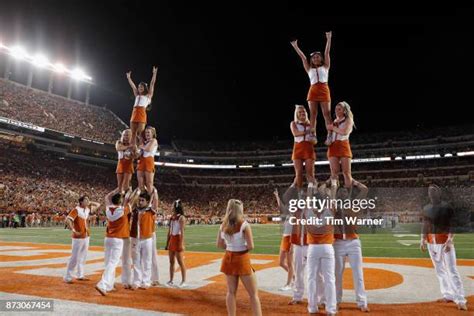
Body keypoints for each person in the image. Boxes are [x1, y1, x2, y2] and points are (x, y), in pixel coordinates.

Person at [420, 184, 467, 311]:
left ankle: (460, 299)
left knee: (452, 270)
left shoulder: (447, 207)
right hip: (431, 241)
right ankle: (447, 294)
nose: (431, 193)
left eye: (434, 191)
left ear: (439, 193)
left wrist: (450, 240)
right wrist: (422, 239)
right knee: (439, 270)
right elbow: (425, 224)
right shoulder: (426, 208)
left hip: (444, 241)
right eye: (429, 191)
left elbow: (453, 225)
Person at [217, 199, 262, 316]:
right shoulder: (244, 225)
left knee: (231, 292)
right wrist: (239, 247)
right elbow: (251, 246)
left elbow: (219, 244)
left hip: (228, 258)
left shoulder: (223, 225)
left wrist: (231, 246)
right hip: (242, 259)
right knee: (253, 294)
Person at [290, 32, 332, 144]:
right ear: (311, 60)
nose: (315, 58)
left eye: (318, 56)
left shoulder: (326, 66)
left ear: (321, 58)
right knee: (313, 114)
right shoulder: (309, 69)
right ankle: (313, 135)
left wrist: (328, 38)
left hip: (324, 89)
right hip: (313, 90)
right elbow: (303, 57)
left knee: (326, 114)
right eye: (313, 57)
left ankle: (330, 135)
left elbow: (327, 52)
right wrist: (295, 46)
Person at [333, 184, 369, 312]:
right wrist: (331, 182)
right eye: (340, 191)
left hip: (353, 241)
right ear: (336, 194)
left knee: (358, 273)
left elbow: (365, 190)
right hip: (337, 242)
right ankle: (336, 301)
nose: (343, 193)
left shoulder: (354, 203)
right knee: (337, 274)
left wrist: (353, 182)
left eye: (345, 191)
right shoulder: (332, 205)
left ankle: (362, 302)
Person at [95, 189, 132, 296]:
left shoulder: (108, 209)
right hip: (117, 239)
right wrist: (130, 192)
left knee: (108, 262)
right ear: (120, 201)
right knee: (113, 263)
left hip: (108, 238)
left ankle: (109, 285)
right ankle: (103, 284)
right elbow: (130, 201)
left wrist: (118, 189)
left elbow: (107, 197)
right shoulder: (123, 210)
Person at [64, 195, 100, 283]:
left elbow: (98, 205)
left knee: (83, 257)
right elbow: (68, 220)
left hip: (86, 235)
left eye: (88, 200)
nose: (88, 202)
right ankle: (67, 276)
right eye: (86, 200)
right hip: (78, 237)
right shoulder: (76, 209)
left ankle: (80, 275)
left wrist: (90, 202)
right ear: (81, 202)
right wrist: (73, 230)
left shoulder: (87, 209)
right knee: (74, 257)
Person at [130, 189, 158, 289]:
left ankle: (146, 281)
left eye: (142, 200)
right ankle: (137, 281)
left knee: (147, 260)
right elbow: (131, 202)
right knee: (136, 260)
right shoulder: (134, 209)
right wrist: (136, 193)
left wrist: (155, 193)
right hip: (135, 238)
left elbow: (155, 202)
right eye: (139, 200)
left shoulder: (151, 210)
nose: (140, 202)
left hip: (147, 239)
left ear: (147, 202)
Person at [327, 102, 356, 189]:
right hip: (333, 146)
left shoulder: (348, 120)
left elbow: (344, 132)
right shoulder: (334, 121)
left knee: (346, 173)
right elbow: (330, 135)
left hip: (343, 145)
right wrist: (328, 140)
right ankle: (333, 198)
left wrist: (332, 128)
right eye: (336, 109)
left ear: (344, 111)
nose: (336, 111)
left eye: (339, 109)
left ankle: (348, 198)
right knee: (334, 173)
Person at [126, 66, 158, 148]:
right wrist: (129, 78)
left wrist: (154, 74)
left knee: (140, 132)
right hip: (134, 112)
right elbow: (133, 86)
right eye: (139, 87)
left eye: (141, 87)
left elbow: (152, 83)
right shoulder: (137, 94)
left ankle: (141, 146)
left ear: (145, 88)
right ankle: (132, 147)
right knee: (133, 132)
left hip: (141, 112)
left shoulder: (148, 95)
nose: (140, 88)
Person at [291, 105, 316, 189]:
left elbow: (315, 140)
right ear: (297, 114)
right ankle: (299, 193)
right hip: (298, 148)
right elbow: (296, 133)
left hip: (308, 148)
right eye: (300, 112)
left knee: (310, 173)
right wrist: (308, 131)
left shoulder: (311, 124)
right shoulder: (293, 123)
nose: (302, 113)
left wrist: (312, 139)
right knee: (298, 173)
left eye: (304, 111)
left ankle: (312, 192)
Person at [273, 189, 294, 291]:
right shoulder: (288, 215)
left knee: (290, 263)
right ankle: (294, 277)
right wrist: (277, 196)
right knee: (281, 262)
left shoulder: (296, 216)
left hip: (291, 239)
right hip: (285, 238)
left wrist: (293, 244)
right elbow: (281, 207)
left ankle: (289, 284)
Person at [166, 199, 187, 287]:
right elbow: (169, 231)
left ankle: (183, 281)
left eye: (173, 206)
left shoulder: (181, 218)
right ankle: (171, 280)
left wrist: (181, 243)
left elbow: (182, 232)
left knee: (180, 261)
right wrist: (167, 242)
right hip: (172, 239)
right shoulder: (172, 217)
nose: (171, 207)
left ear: (176, 207)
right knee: (171, 261)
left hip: (178, 239)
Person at [137, 126, 158, 194]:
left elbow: (149, 149)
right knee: (140, 182)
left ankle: (150, 200)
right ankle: (142, 198)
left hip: (149, 161)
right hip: (142, 161)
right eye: (146, 132)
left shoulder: (154, 140)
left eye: (148, 132)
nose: (147, 134)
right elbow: (139, 154)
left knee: (149, 183)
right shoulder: (145, 142)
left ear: (152, 133)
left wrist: (141, 146)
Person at [116, 129, 134, 194]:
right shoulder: (119, 142)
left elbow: (135, 155)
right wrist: (129, 147)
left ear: (131, 136)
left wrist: (134, 153)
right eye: (124, 135)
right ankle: (120, 198)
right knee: (119, 185)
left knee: (125, 185)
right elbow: (118, 148)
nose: (125, 136)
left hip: (129, 164)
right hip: (120, 164)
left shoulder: (133, 144)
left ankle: (127, 196)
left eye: (127, 135)